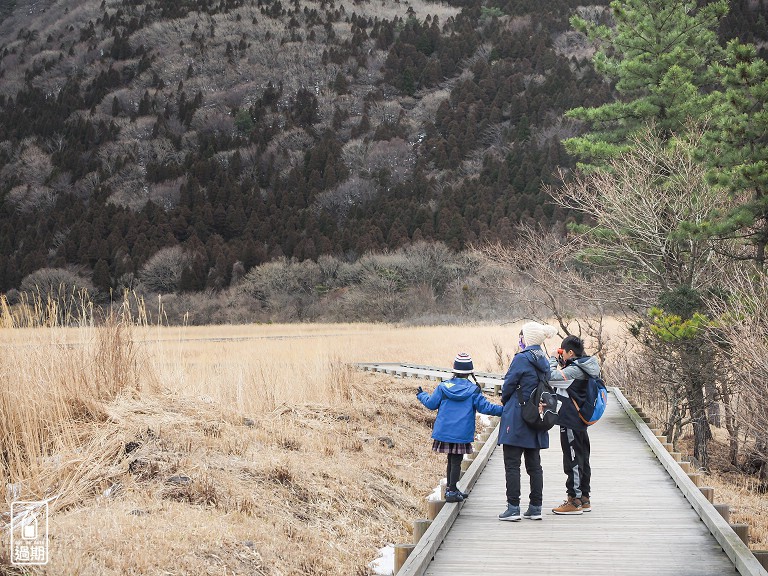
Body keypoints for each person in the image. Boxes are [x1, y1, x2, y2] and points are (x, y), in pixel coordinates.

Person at [417, 352, 502, 503]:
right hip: (461, 432)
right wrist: (505, 410)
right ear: (470, 371)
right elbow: (485, 407)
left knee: (451, 460)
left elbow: (431, 404)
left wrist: (421, 395)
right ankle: (451, 491)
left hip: (445, 431)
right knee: (456, 460)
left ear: (455, 370)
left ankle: (452, 489)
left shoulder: (443, 387)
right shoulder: (473, 389)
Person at [498, 321, 558, 521]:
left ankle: (513, 507)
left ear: (526, 338)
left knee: (512, 464)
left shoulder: (521, 359)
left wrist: (505, 401)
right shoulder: (544, 360)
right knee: (534, 465)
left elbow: (509, 385)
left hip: (517, 417)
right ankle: (535, 507)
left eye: (521, 335)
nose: (520, 339)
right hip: (537, 416)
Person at [548, 335, 601, 515]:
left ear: (570, 352)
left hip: (571, 419)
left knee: (572, 460)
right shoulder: (587, 365)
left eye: (563, 352)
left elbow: (551, 378)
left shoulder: (575, 369)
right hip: (580, 420)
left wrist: (552, 358)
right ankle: (584, 498)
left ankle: (574, 500)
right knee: (582, 457)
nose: (561, 355)